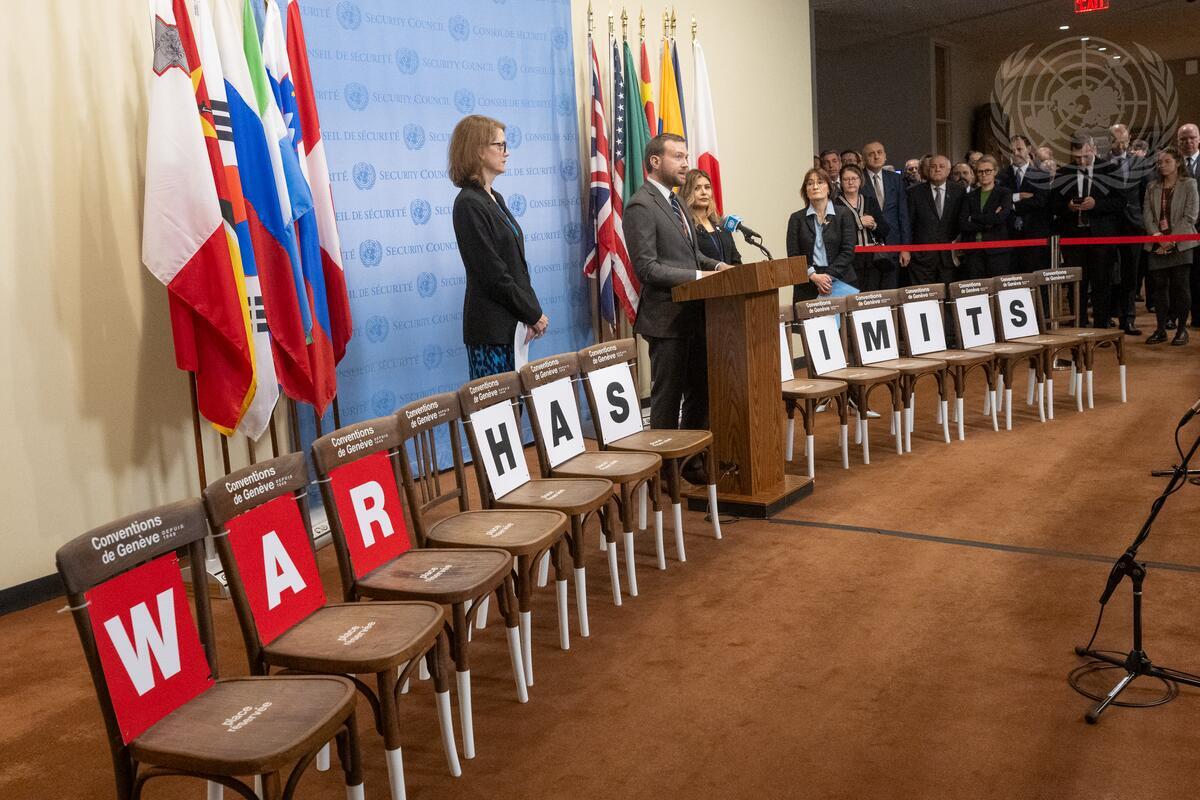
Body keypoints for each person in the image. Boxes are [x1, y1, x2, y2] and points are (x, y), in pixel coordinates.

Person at [623, 133, 727, 444]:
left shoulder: (677, 201)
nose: (685, 164)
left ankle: (691, 459)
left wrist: (718, 267)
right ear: (655, 161)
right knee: (667, 398)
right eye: (678, 157)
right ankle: (666, 464)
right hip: (666, 319)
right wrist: (698, 277)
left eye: (686, 156)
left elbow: (692, 255)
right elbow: (647, 268)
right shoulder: (641, 205)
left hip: (694, 315)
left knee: (700, 390)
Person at [450, 114, 548, 379]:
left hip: (513, 327)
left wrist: (531, 312)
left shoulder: (494, 198)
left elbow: (516, 266)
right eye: (499, 145)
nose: (506, 152)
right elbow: (492, 273)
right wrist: (532, 313)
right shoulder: (468, 203)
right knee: (498, 404)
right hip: (491, 332)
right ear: (478, 151)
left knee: (517, 402)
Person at [1051, 133, 1123, 328]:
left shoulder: (1110, 170)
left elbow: (1120, 202)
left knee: (1102, 282)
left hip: (1101, 237)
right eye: (1077, 157)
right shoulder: (1063, 173)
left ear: (1094, 150)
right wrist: (1067, 206)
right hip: (1073, 237)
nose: (1081, 161)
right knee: (1076, 283)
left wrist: (1096, 204)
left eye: (1085, 156)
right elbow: (1053, 204)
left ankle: (1102, 324)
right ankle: (1079, 322)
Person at [1142, 147, 1197, 345]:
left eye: (1167, 161)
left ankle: (1181, 330)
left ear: (1178, 163)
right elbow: (1147, 215)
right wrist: (1158, 237)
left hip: (1181, 244)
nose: (1162, 165)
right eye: (1160, 162)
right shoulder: (1152, 186)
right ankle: (1160, 329)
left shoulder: (1189, 184)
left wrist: (1172, 239)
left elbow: (1190, 216)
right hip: (1157, 245)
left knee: (1181, 287)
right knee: (1158, 288)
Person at [787, 168, 857, 303]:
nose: (815, 187)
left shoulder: (844, 214)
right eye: (810, 183)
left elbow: (848, 251)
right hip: (808, 283)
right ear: (805, 191)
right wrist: (813, 276)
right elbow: (793, 255)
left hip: (840, 280)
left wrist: (827, 277)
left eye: (820, 182)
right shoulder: (796, 218)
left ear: (829, 188)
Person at [1109, 123, 1148, 335]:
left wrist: (1142, 220)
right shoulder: (1101, 163)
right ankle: (1107, 316)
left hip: (1133, 225)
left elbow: (1146, 194)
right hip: (1109, 227)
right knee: (1108, 273)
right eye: (1117, 142)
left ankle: (1128, 318)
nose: (1122, 146)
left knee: (1130, 274)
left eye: (1124, 141)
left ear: (1130, 138)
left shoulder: (1139, 163)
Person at [902, 154, 965, 286]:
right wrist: (906, 249)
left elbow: (962, 221)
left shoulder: (959, 191)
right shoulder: (914, 192)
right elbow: (908, 225)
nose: (937, 169)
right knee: (925, 295)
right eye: (933, 166)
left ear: (948, 170)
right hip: (921, 259)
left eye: (941, 166)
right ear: (927, 170)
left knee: (948, 295)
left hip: (949, 257)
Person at [996, 134, 1051, 273]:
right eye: (1012, 150)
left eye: (1019, 149)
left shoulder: (1041, 175)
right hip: (1009, 236)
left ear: (1029, 149)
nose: (1015, 153)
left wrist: (1011, 205)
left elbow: (1040, 201)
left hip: (1034, 235)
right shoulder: (1000, 177)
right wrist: (1018, 196)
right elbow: (997, 201)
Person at [860, 141, 910, 289]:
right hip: (869, 245)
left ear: (885, 156)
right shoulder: (858, 179)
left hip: (893, 244)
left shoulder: (895, 178)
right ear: (863, 159)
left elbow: (903, 215)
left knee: (891, 290)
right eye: (871, 154)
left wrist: (905, 248)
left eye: (879, 152)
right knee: (871, 292)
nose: (876, 156)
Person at [836, 164, 890, 290]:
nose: (850, 182)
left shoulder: (870, 201)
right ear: (841, 182)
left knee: (872, 295)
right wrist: (858, 223)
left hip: (872, 260)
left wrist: (873, 225)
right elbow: (834, 232)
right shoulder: (835, 203)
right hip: (849, 260)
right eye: (846, 179)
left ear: (860, 180)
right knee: (853, 295)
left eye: (854, 178)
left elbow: (885, 230)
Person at [958, 155, 1013, 279]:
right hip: (973, 252)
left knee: (997, 287)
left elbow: (1000, 218)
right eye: (980, 171)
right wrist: (989, 221)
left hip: (997, 251)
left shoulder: (1004, 193)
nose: (984, 174)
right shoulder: (970, 196)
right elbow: (963, 223)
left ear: (995, 171)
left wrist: (973, 217)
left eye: (988, 171)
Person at [682, 168, 742, 267]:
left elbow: (736, 260)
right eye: (697, 188)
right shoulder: (684, 226)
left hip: (731, 276)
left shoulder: (721, 224)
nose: (704, 192)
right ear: (687, 192)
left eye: (707, 187)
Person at [1178, 123, 1200, 328]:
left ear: (1199, 139)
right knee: (1187, 276)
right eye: (1183, 139)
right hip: (1181, 229)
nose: (1188, 142)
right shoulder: (1173, 165)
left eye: (1192, 138)